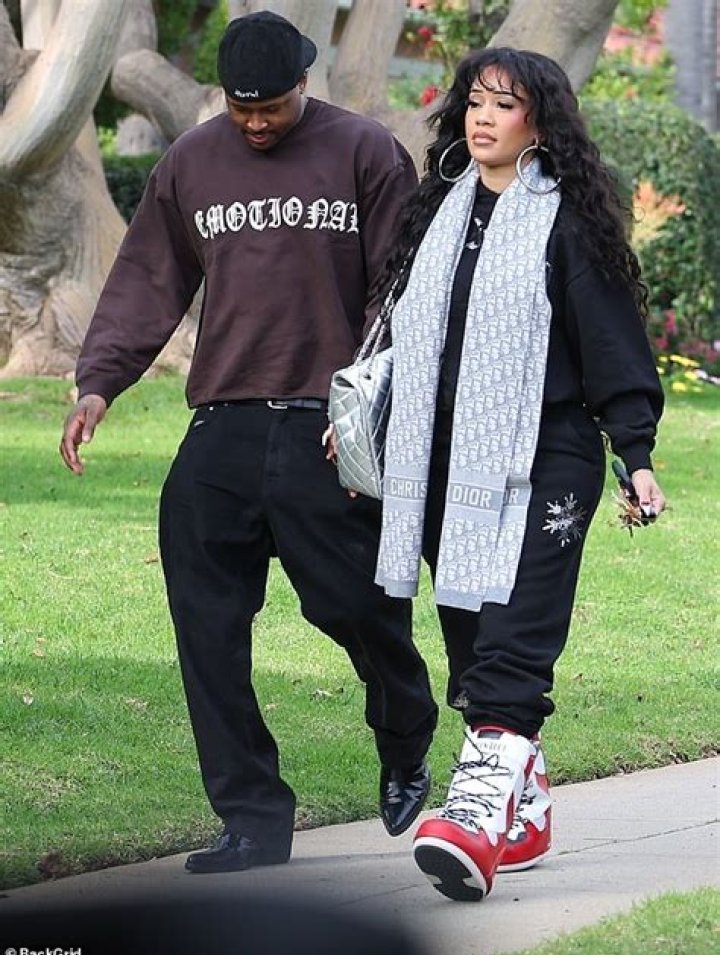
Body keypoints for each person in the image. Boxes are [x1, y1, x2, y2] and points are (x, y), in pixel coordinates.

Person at [59, 10, 438, 874]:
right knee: (207, 627)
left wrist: (366, 404)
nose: (257, 122)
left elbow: (398, 288)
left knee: (356, 607)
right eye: (242, 107)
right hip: (222, 423)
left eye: (272, 106)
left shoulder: (365, 152)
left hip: (323, 424)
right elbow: (149, 275)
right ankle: (253, 817)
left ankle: (406, 724)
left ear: (305, 81)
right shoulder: (191, 163)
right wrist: (99, 383)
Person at [363, 47, 666, 902]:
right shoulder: (439, 211)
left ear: (540, 122)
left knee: (512, 637)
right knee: (470, 636)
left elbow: (611, 343)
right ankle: (525, 809)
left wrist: (636, 454)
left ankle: (474, 820)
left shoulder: (566, 222)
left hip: (547, 463)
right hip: (445, 462)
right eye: (475, 102)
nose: (483, 117)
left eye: (504, 104)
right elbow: (401, 333)